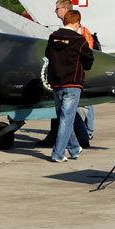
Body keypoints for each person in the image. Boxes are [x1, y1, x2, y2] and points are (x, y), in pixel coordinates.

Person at [45, 10, 94, 162]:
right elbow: (89, 60)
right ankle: (58, 153)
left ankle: (74, 148)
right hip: (73, 82)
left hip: (56, 82)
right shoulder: (79, 40)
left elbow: (48, 54)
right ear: (77, 23)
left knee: (63, 117)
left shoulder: (53, 37)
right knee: (67, 118)